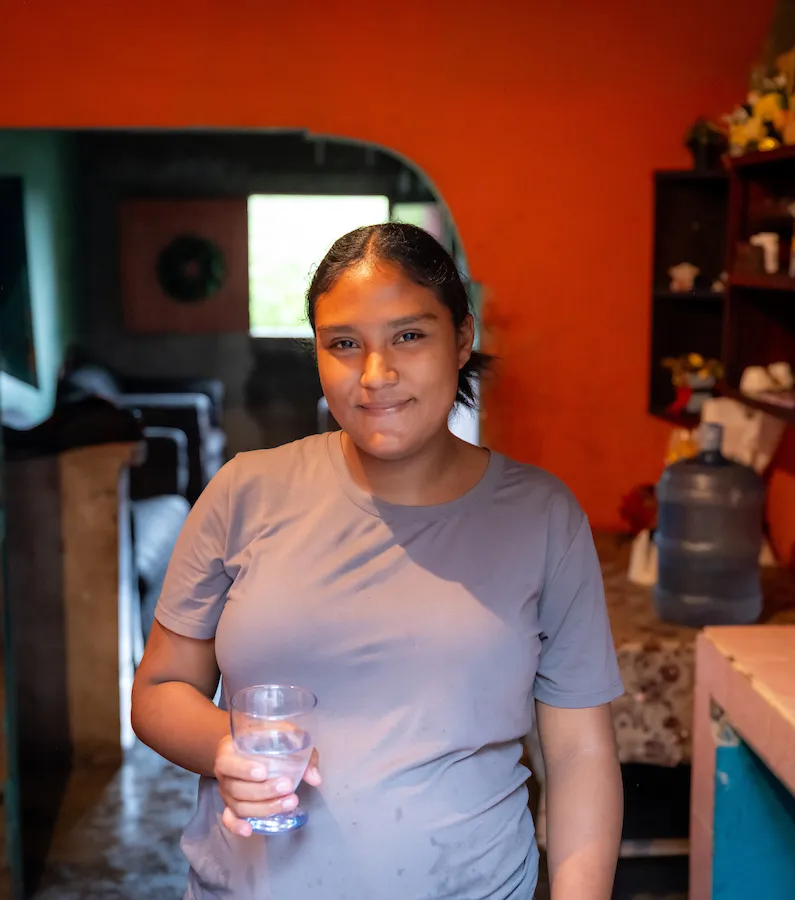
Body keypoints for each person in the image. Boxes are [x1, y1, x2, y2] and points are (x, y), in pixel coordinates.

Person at [131, 222, 624, 900]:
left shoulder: (541, 517)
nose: (376, 375)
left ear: (462, 338)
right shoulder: (244, 491)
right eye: (343, 344)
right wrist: (226, 747)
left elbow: (579, 755)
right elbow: (158, 692)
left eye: (409, 336)